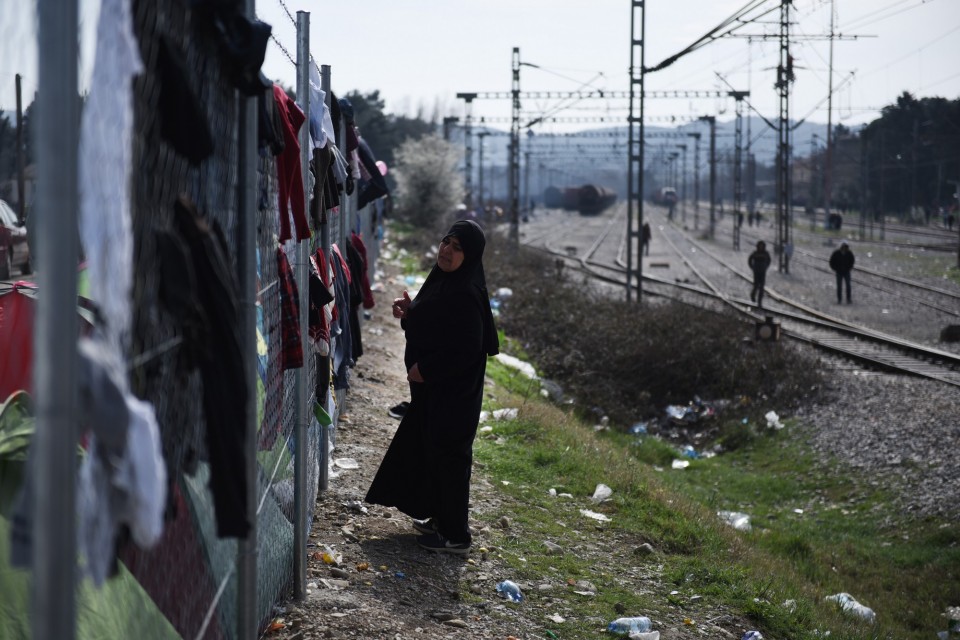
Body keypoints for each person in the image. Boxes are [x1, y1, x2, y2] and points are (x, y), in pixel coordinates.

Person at [365, 220, 499, 555]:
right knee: (434, 453)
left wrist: (427, 369)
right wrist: (411, 313)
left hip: (454, 395)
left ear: (469, 256)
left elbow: (466, 349)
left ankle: (456, 536)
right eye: (446, 242)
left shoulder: (466, 293)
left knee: (451, 459)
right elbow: (437, 327)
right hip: (436, 393)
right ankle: (441, 519)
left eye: (457, 248)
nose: (447, 251)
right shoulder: (445, 282)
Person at [747, 240, 771, 308]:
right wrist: (752, 267)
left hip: (763, 272)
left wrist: (766, 266)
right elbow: (749, 260)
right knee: (756, 285)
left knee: (761, 287)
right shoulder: (755, 253)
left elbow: (769, 260)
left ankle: (759, 302)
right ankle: (753, 295)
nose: (761, 247)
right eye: (760, 246)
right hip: (756, 272)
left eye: (762, 246)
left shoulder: (766, 254)